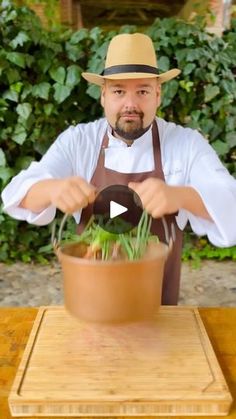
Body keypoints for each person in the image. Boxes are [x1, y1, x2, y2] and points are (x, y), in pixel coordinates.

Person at [2, 33, 236, 304]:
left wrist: (181, 196)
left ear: (158, 95)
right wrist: (52, 189)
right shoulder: (79, 141)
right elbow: (16, 195)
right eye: (119, 91)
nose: (131, 104)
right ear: (103, 95)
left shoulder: (186, 144)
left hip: (155, 306)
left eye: (143, 91)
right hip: (90, 304)